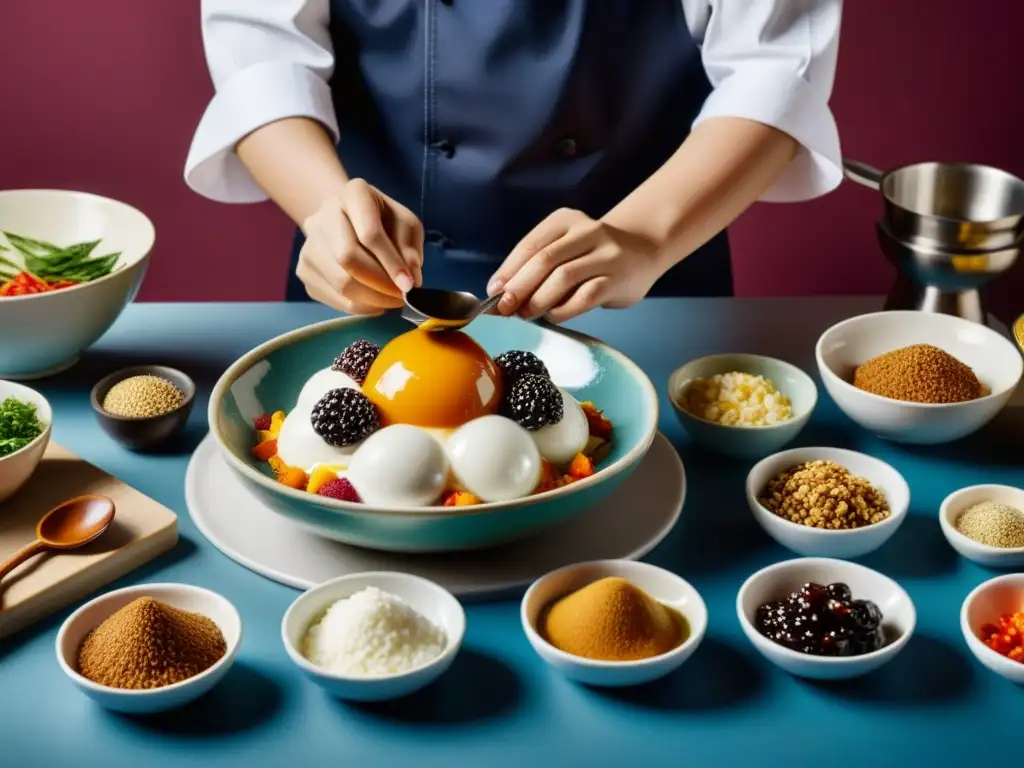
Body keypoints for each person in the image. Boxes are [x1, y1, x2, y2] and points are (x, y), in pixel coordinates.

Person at [186, 1, 842, 323]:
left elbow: (776, 70)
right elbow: (264, 55)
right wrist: (325, 211)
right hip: (368, 282)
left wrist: (643, 237)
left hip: (644, 282)